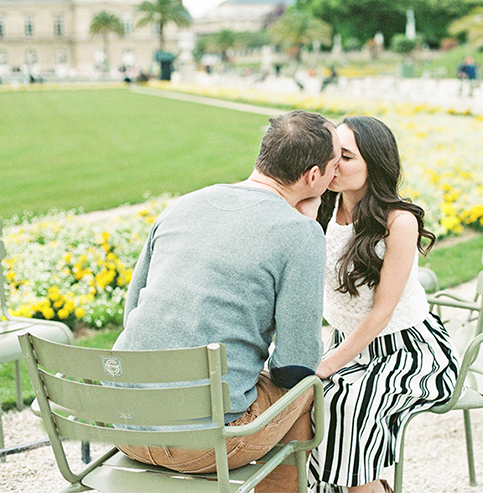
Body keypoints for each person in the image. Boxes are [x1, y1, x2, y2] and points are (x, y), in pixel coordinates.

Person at [112, 110, 341, 493]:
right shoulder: (299, 234)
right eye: (334, 167)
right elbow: (295, 365)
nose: (336, 177)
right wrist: (306, 220)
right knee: (306, 393)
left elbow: (131, 312)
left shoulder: (184, 204)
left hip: (123, 423)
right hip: (205, 446)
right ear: (313, 177)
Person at [307, 116, 461, 493]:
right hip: (349, 345)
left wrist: (328, 363)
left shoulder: (398, 221)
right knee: (305, 400)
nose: (333, 166)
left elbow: (382, 311)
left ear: (373, 164)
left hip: (407, 351)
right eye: (331, 156)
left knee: (341, 401)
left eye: (346, 157)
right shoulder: (320, 209)